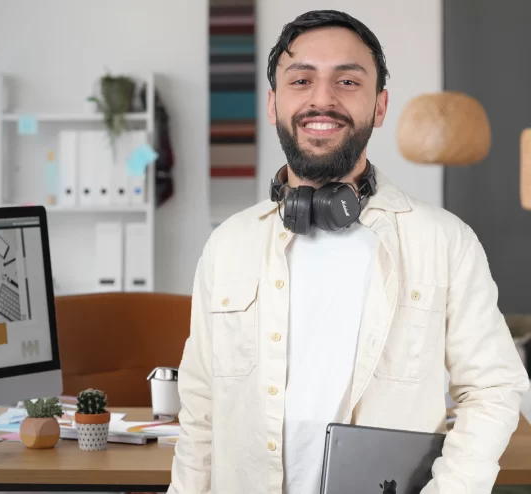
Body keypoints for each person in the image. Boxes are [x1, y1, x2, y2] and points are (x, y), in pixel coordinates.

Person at [168, 9, 529, 494]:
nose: (322, 99)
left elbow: (493, 389)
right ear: (272, 104)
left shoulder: (445, 241)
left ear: (379, 107)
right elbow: (200, 410)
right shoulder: (226, 246)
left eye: (347, 81)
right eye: (301, 80)